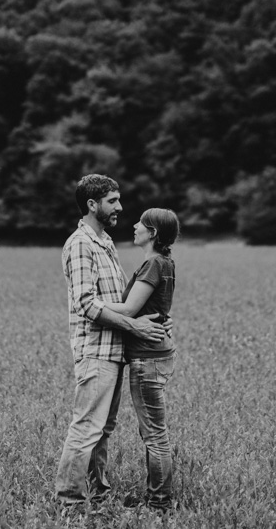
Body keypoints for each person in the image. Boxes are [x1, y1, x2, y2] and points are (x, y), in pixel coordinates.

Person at [55, 174, 169, 507]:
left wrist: (151, 319)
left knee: (102, 429)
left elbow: (117, 300)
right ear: (92, 204)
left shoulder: (104, 242)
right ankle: (70, 503)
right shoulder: (80, 244)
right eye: (112, 201)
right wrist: (136, 328)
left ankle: (98, 496)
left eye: (118, 199)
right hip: (95, 351)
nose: (120, 207)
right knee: (87, 427)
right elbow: (87, 305)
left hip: (114, 351)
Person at [101, 208, 180, 511]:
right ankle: (157, 498)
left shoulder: (153, 264)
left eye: (140, 224)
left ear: (153, 233)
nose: (134, 226)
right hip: (158, 353)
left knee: (154, 434)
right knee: (154, 431)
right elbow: (157, 307)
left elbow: (130, 310)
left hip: (148, 357)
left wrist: (88, 303)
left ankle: (159, 504)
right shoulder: (166, 263)